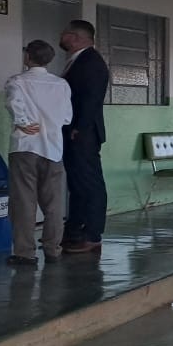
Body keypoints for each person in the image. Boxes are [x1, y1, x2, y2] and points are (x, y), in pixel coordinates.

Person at [3, 40, 73, 266]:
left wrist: (23, 122)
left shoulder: (17, 81)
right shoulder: (61, 84)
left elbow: (14, 104)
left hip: (25, 147)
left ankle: (25, 253)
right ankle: (53, 249)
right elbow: (67, 118)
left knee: (23, 202)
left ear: (27, 57)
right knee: (54, 204)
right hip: (53, 149)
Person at [59, 20, 110, 253]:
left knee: (90, 184)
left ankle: (92, 234)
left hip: (84, 133)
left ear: (75, 37)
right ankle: (73, 231)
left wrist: (79, 127)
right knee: (77, 184)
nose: (61, 37)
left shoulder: (92, 62)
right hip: (75, 131)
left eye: (65, 34)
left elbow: (91, 98)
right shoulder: (78, 60)